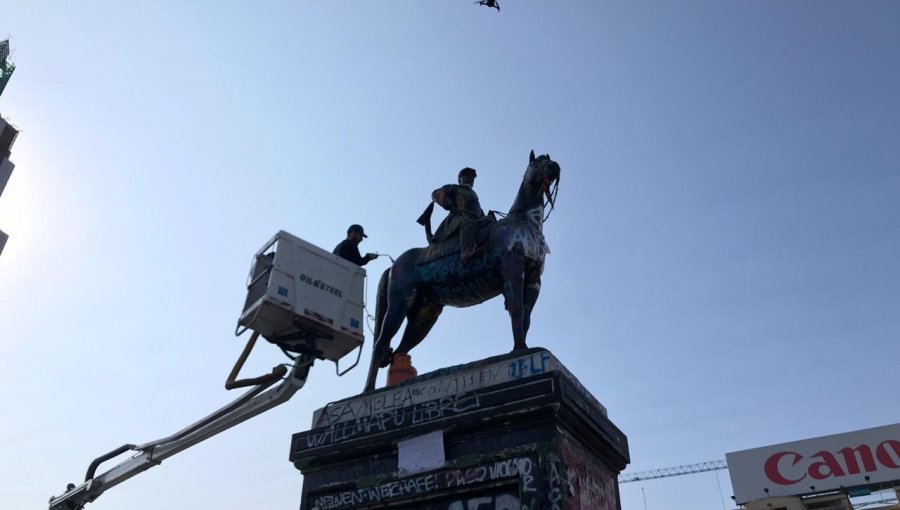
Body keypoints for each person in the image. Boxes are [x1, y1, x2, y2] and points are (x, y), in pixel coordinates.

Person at [431, 167, 486, 264]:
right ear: (460, 178)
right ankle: (466, 253)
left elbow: (478, 211)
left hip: (475, 220)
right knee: (467, 223)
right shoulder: (454, 188)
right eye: (466, 176)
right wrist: (448, 204)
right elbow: (436, 193)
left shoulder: (474, 195)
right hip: (458, 219)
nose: (470, 179)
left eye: (472, 178)